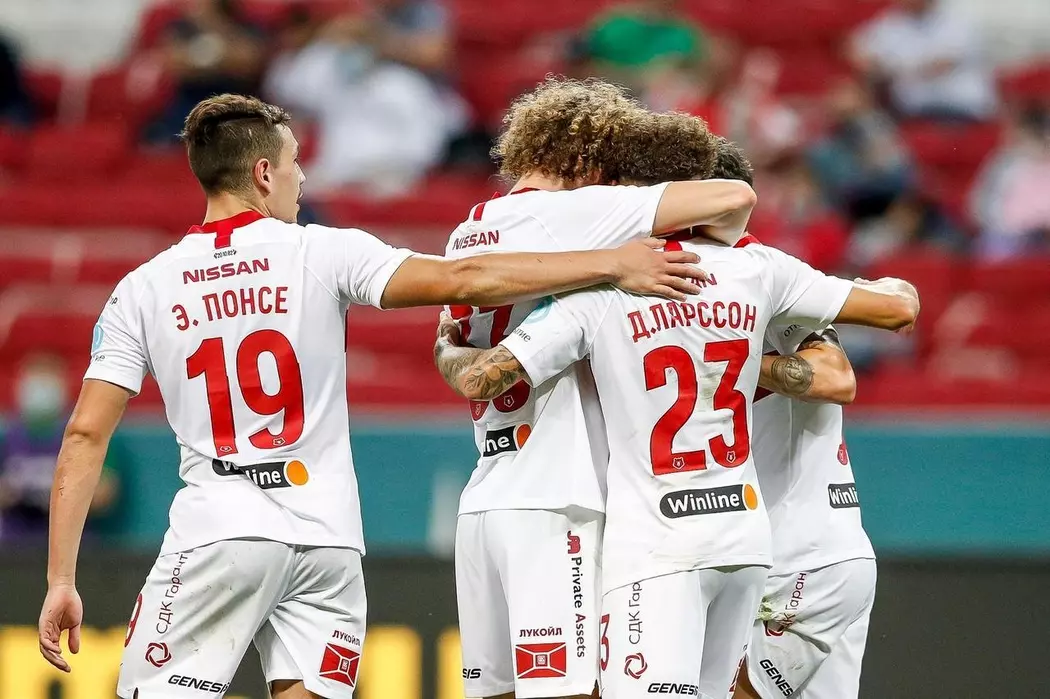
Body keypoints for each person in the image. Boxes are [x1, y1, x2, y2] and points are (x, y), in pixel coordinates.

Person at [36, 93, 704, 699]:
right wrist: (612, 263)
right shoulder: (323, 252)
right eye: (295, 163)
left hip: (219, 529)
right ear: (264, 174)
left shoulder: (144, 288)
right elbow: (465, 277)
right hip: (326, 542)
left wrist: (62, 578)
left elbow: (86, 433)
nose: (302, 178)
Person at [434, 133, 919, 698]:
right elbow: (889, 318)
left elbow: (482, 378)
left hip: (678, 549)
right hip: (762, 545)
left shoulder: (607, 291)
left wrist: (446, 344)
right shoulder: (766, 274)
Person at [434, 82, 757, 699]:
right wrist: (621, 259)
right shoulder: (573, 212)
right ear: (583, 158)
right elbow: (732, 195)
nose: (614, 184)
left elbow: (460, 357)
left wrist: (447, 353)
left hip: (488, 494)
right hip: (563, 494)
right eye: (609, 169)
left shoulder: (468, 231)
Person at [1, 355, 119, 546]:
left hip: (72, 544)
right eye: (35, 381)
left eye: (46, 381)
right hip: (14, 541)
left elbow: (104, 494)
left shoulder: (85, 431)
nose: (39, 390)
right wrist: (17, 495)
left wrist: (57, 498)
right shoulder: (10, 436)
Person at [848, 0, 996, 121]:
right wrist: (879, 67)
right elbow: (859, 55)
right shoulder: (888, 24)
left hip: (964, 108)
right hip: (914, 112)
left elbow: (940, 65)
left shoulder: (959, 19)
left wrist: (892, 67)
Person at [145, 0, 266, 144]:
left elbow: (247, 64)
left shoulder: (247, 26)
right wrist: (222, 59)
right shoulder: (180, 28)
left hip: (234, 104)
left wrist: (199, 55)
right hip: (188, 104)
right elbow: (174, 65)